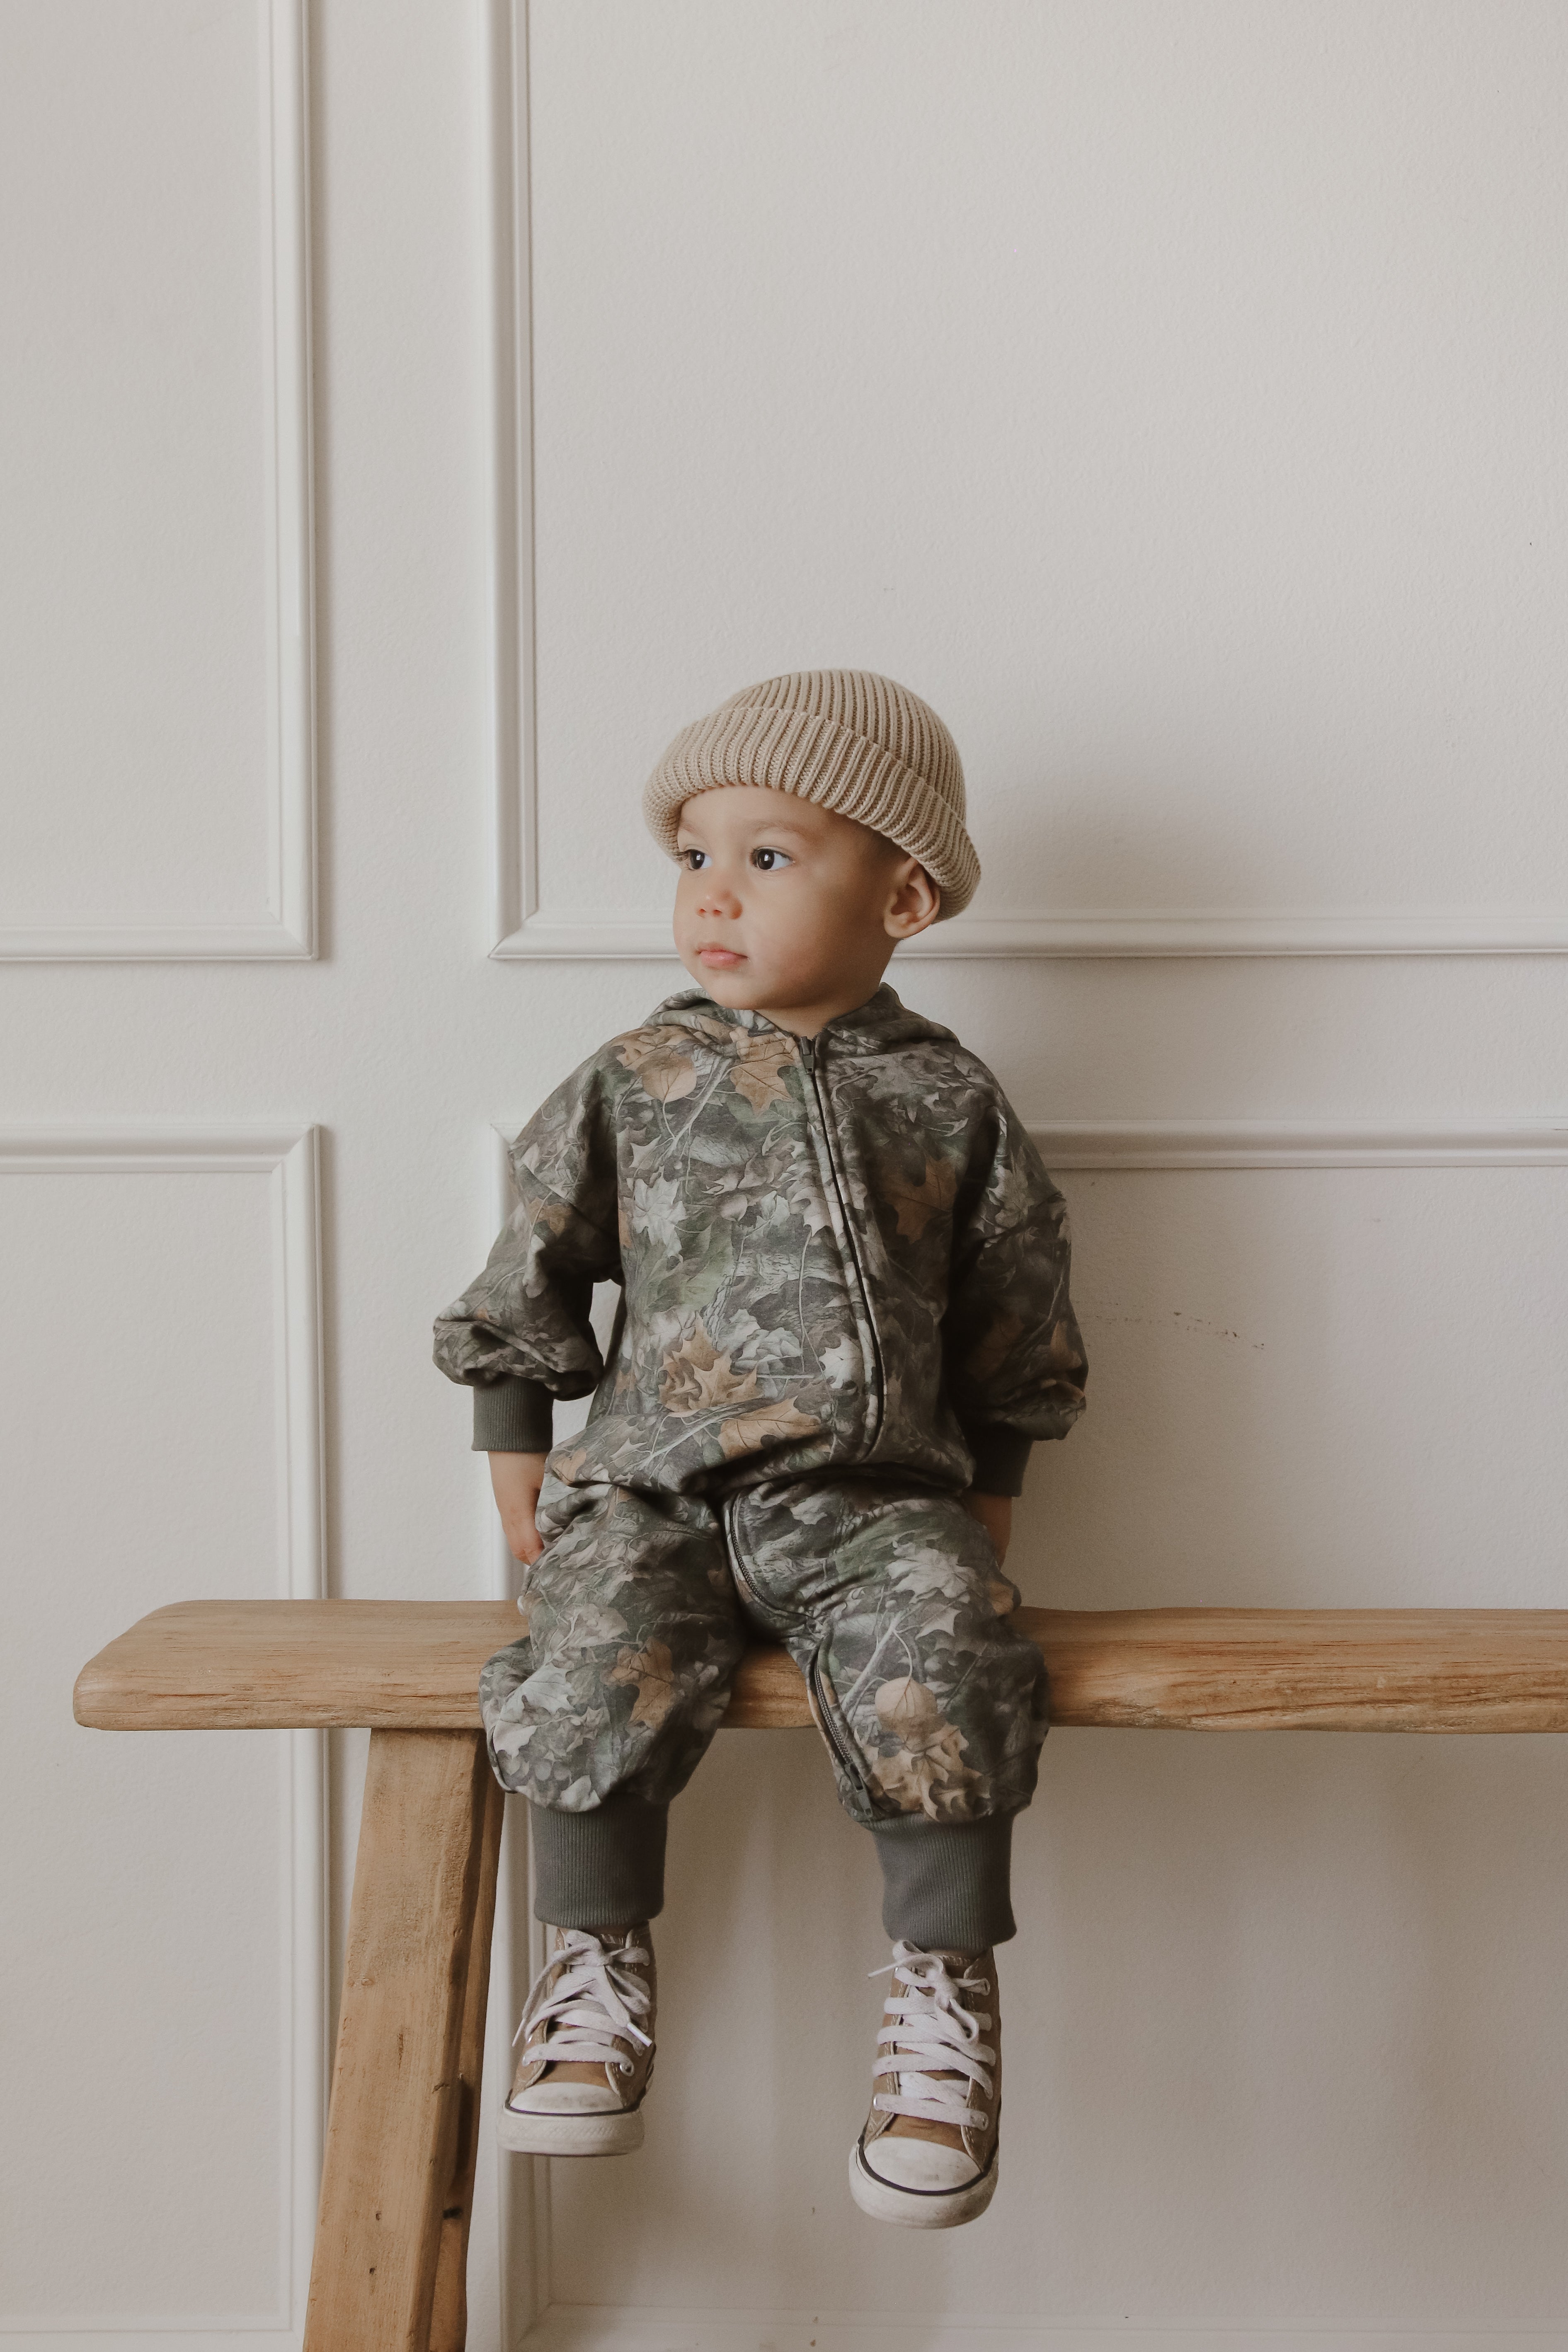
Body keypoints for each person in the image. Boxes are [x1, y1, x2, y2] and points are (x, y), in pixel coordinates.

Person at [433, 669, 1086, 2228]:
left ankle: (942, 1996)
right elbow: (533, 1262)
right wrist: (517, 1443)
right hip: (651, 1492)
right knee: (588, 1648)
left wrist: (995, 1484)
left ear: (904, 895)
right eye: (693, 857)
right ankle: (592, 1961)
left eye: (769, 857)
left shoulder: (947, 1097)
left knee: (952, 1643)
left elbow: (1017, 1306)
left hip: (872, 1504)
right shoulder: (634, 1080)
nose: (713, 892)